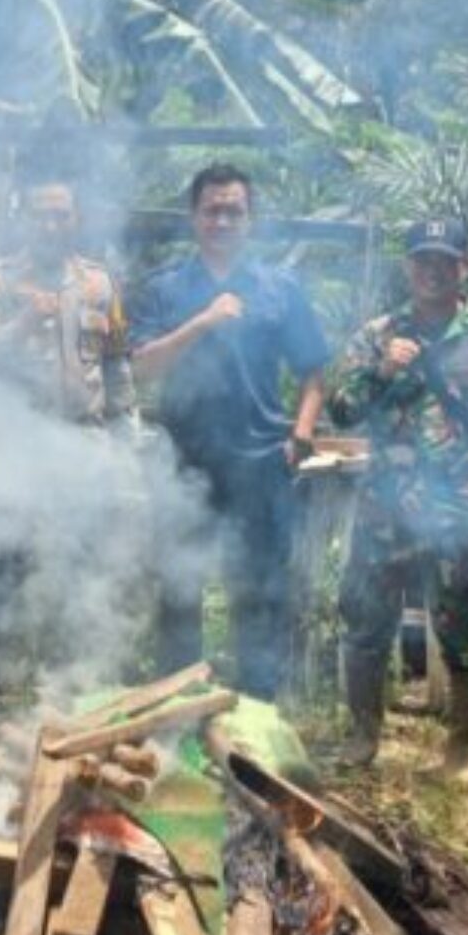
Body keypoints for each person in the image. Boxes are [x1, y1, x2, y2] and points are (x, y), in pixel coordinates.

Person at [328, 219, 468, 778]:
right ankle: (363, 738)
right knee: (365, 623)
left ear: (464, 266)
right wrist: (381, 369)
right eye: (422, 260)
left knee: (465, 632)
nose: (432, 271)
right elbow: (340, 409)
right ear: (408, 266)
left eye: (445, 260)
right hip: (382, 508)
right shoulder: (377, 333)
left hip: (457, 513)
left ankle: (460, 753)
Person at [129, 163, 329, 701]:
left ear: (250, 218)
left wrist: (302, 433)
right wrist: (204, 321)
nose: (222, 220)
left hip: (261, 462)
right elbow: (142, 368)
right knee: (178, 594)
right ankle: (174, 716)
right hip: (182, 463)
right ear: (193, 217)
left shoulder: (279, 289)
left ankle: (256, 722)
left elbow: (314, 368)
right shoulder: (165, 288)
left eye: (233, 211)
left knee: (260, 596)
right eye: (212, 210)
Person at [0, 171, 136, 429]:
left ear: (77, 218)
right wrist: (22, 324)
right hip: (14, 442)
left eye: (61, 216)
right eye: (38, 216)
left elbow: (117, 369)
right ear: (21, 219)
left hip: (87, 442)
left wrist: (127, 444)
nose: (50, 227)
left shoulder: (101, 284)